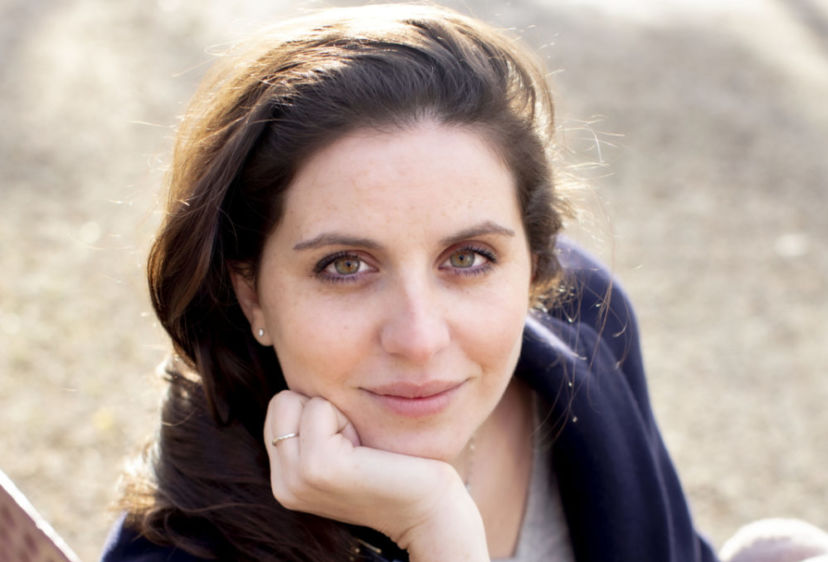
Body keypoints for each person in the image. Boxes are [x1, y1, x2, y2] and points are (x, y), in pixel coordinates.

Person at [101, 4, 722, 561]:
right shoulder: (182, 549)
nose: (420, 339)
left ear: (533, 264)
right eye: (345, 265)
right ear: (251, 292)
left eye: (469, 257)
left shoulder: (587, 317)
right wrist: (435, 527)